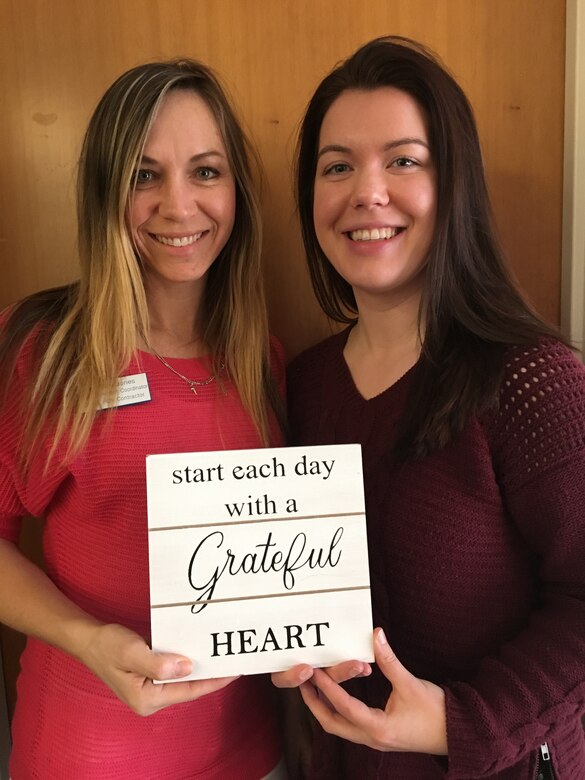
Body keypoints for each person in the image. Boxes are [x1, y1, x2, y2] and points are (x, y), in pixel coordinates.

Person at [274, 36, 585, 779]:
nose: (366, 192)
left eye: (403, 160)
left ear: (455, 186)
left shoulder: (532, 381)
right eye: (337, 165)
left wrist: (460, 722)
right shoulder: (302, 383)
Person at [0, 59, 287, 779]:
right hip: (87, 753)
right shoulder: (41, 351)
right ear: (106, 192)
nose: (178, 206)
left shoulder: (267, 364)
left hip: (252, 754)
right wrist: (89, 639)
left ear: (237, 192)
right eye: (144, 175)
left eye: (206, 171)